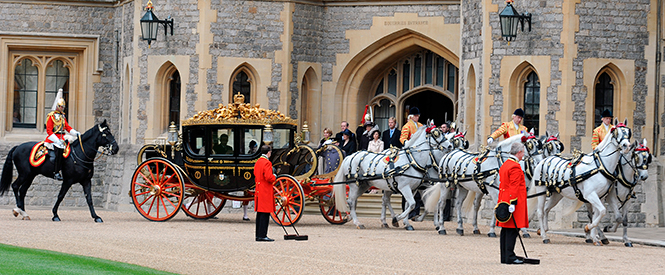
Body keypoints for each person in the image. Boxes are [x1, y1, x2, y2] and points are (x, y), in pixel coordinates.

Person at [497, 142, 528, 264]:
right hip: (513, 201)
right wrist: (513, 203)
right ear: (519, 152)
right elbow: (514, 186)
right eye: (523, 152)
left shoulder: (506, 164)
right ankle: (510, 256)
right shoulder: (515, 166)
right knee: (512, 230)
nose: (523, 155)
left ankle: (505, 256)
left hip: (504, 199)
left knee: (505, 230)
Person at [44, 89, 80, 181]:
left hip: (63, 136)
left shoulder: (63, 116)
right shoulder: (51, 116)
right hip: (53, 137)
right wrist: (56, 140)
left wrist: (76, 133)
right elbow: (49, 130)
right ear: (57, 106)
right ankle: (56, 172)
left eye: (63, 107)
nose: (62, 108)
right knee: (59, 149)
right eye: (61, 106)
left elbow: (67, 127)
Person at [254, 145, 276, 242]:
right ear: (268, 152)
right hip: (265, 190)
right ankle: (262, 235)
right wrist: (274, 176)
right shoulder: (267, 162)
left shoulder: (258, 161)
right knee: (265, 214)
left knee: (260, 214)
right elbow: (269, 177)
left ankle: (258, 235)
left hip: (259, 189)